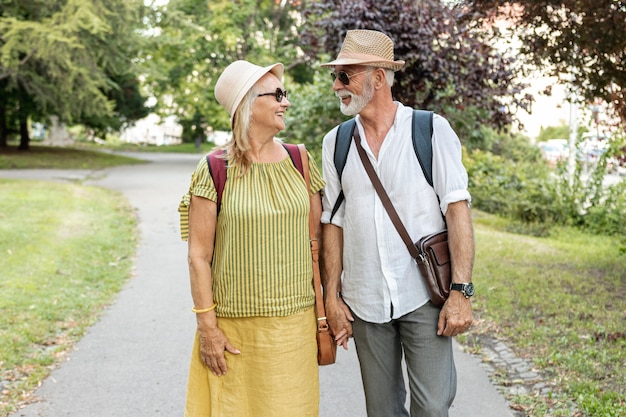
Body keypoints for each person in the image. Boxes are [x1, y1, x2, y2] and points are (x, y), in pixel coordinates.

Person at [319, 29, 475, 417]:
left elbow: (457, 209)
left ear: (377, 77)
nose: (337, 85)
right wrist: (332, 296)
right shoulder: (335, 142)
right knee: (382, 410)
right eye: (335, 76)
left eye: (345, 75)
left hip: (422, 293)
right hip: (364, 298)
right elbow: (332, 222)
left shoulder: (430, 130)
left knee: (433, 406)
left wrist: (461, 292)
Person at [178, 60, 325, 417]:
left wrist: (331, 305)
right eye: (277, 94)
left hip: (293, 329)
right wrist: (208, 328)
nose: (285, 103)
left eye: (284, 94)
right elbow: (198, 256)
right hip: (232, 333)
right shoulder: (214, 168)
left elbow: (320, 241)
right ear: (247, 104)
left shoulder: (300, 161)